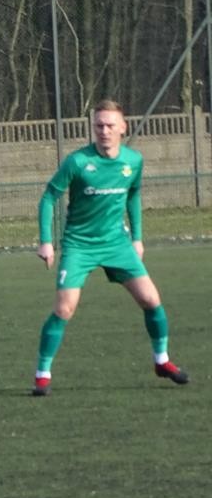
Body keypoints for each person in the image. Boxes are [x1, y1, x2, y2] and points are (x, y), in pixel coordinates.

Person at [32, 99, 188, 395]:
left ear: (122, 128)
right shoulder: (78, 162)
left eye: (109, 125)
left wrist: (137, 238)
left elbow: (134, 195)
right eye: (99, 125)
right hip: (79, 245)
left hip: (117, 243)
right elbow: (49, 197)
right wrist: (46, 241)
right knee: (64, 309)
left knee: (151, 299)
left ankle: (162, 361)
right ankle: (42, 375)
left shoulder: (133, 161)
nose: (103, 131)